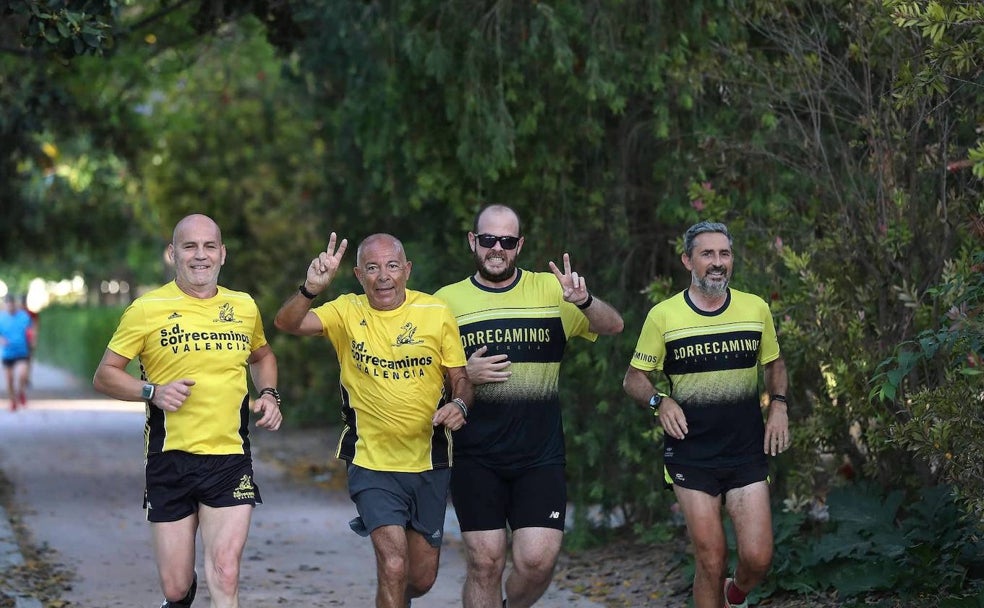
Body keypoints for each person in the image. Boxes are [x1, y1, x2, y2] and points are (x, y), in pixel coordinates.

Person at [433, 204, 624, 608]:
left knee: (537, 562)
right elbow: (422, 377)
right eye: (488, 240)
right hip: (474, 455)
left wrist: (585, 300)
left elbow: (613, 326)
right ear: (473, 242)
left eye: (506, 241)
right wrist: (465, 373)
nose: (496, 249)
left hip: (540, 455)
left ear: (519, 245)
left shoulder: (552, 290)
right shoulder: (445, 302)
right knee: (485, 563)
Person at [92, 214, 283, 608]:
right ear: (172, 253)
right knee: (176, 587)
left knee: (226, 572)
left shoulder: (243, 306)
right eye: (189, 246)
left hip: (230, 458)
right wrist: (152, 391)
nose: (200, 255)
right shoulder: (147, 309)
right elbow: (105, 375)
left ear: (223, 254)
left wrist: (269, 394)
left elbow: (262, 355)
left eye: (209, 246)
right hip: (169, 458)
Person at [273, 232, 471, 608]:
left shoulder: (435, 312)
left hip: (429, 460)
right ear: (358, 274)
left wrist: (459, 405)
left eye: (392, 266)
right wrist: (310, 289)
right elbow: (288, 323)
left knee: (420, 578)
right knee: (393, 564)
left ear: (407, 271)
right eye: (373, 268)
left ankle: (392, 597)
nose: (383, 276)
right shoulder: (347, 310)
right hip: (371, 461)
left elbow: (459, 377)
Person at [622, 220, 790, 608]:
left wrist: (778, 406)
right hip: (690, 453)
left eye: (725, 254)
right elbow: (633, 379)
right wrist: (659, 402)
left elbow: (774, 363)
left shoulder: (755, 309)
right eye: (708, 254)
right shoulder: (663, 316)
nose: (718, 262)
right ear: (687, 260)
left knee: (758, 557)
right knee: (711, 559)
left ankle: (736, 594)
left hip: (745, 449)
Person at [0, 294, 34, 411]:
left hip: (21, 351)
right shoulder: (1, 317)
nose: (10, 306)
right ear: (5, 305)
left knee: (22, 375)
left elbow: (30, 330)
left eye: (12, 304)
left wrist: (31, 338)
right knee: (9, 379)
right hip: (7, 353)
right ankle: (12, 401)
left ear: (15, 304)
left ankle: (21, 392)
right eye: (7, 304)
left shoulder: (24, 316)